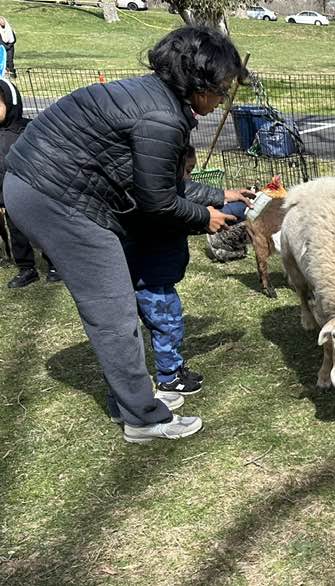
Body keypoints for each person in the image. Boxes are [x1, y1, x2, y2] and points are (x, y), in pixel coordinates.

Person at [2, 26, 252, 443]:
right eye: (221, 88)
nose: (223, 97)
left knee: (114, 307)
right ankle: (142, 417)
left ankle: (133, 397)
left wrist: (217, 194)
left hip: (43, 186)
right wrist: (203, 217)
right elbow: (157, 202)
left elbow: (156, 180)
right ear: (197, 81)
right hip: (54, 198)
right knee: (114, 312)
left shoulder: (154, 98)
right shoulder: (162, 117)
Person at [124, 145, 247, 396]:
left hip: (156, 275)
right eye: (187, 171)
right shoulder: (159, 202)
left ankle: (173, 369)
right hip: (151, 277)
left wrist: (220, 200)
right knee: (167, 325)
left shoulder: (163, 191)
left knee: (167, 323)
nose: (189, 177)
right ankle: (169, 376)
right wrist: (207, 218)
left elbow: (189, 198)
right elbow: (183, 217)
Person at [0, 78, 60, 287]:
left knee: (43, 231)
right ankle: (27, 269)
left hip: (34, 192)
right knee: (17, 233)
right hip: (6, 197)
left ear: (10, 103)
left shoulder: (29, 130)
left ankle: (55, 264)